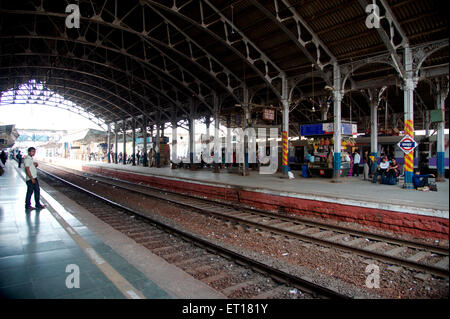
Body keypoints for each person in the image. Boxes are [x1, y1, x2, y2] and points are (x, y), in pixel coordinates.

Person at [24, 147, 46, 211]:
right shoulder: (27, 159)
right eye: (32, 151)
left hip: (34, 178)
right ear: (29, 152)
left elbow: (30, 167)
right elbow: (27, 169)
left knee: (37, 191)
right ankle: (28, 205)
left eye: (34, 151)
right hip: (31, 179)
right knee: (30, 192)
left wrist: (35, 165)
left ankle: (37, 204)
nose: (34, 153)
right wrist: (31, 178)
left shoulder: (30, 159)